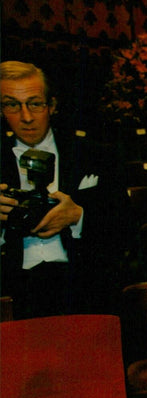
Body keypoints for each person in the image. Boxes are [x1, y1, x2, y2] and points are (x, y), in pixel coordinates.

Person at [0, 61, 125, 318]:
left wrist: (79, 216)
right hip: (13, 289)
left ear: (52, 106)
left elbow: (125, 228)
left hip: (82, 285)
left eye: (35, 103)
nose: (26, 117)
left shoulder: (95, 154)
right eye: (12, 104)